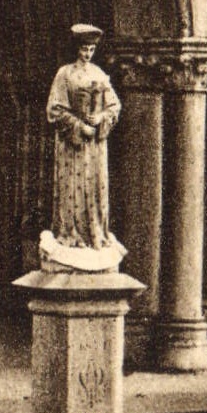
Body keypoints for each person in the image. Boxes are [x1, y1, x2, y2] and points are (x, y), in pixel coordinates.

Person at [46, 24, 121, 252]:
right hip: (73, 144)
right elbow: (55, 109)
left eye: (91, 50)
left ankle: (95, 233)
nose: (87, 54)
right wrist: (79, 126)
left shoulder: (99, 74)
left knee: (96, 186)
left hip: (96, 145)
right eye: (84, 49)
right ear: (76, 49)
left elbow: (114, 105)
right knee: (72, 186)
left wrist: (100, 118)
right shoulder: (65, 74)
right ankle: (70, 233)